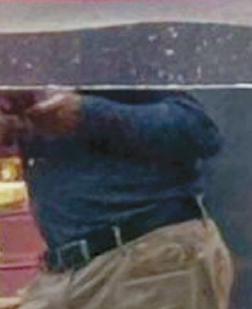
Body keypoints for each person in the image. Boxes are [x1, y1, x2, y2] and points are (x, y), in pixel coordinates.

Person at [0, 90, 233, 309]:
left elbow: (200, 130)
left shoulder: (120, 53)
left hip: (146, 257)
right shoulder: (38, 61)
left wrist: (88, 114)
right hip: (64, 268)